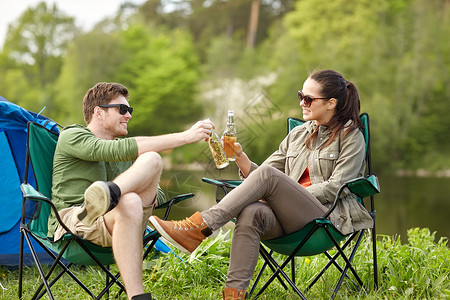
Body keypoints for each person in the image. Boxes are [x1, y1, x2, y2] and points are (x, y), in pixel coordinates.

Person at [150, 70, 374, 299]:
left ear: (330, 103)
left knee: (268, 178)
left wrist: (289, 194)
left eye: (308, 99)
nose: (301, 103)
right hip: (288, 219)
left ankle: (199, 226)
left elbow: (336, 186)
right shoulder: (297, 135)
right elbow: (263, 177)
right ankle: (233, 294)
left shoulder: (351, 137)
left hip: (325, 219)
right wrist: (242, 159)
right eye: (300, 95)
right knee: (252, 211)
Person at [48, 82, 214, 300]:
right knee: (137, 187)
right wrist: (185, 137)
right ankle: (109, 196)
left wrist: (139, 182)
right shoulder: (72, 135)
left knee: (145, 172)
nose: (128, 116)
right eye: (122, 109)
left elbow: (159, 195)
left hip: (115, 220)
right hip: (76, 218)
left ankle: (110, 193)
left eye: (130, 110)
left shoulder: (124, 157)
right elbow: (108, 150)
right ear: (98, 112)